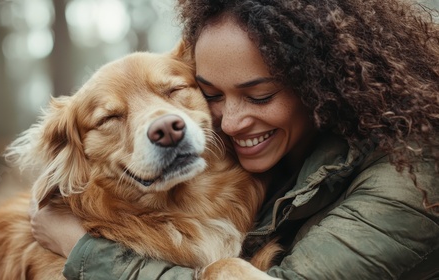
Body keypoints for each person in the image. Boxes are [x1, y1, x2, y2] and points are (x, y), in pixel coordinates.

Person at [29, 0, 439, 279]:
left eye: (260, 95)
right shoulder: (276, 157)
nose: (229, 124)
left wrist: (81, 248)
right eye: (211, 96)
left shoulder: (413, 177)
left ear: (321, 82)